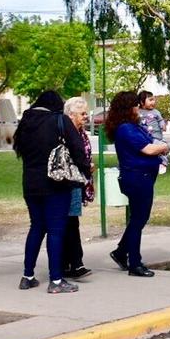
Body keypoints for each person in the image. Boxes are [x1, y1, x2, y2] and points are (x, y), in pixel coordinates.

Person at [14, 91, 90, 294]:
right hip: (56, 184)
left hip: (30, 184)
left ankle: (27, 276)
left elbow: (19, 149)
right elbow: (77, 148)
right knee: (56, 231)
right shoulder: (60, 120)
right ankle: (56, 280)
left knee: (37, 227)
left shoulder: (26, 122)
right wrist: (84, 170)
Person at [106, 91, 170, 278]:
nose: (138, 109)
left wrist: (159, 145)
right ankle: (135, 263)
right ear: (128, 108)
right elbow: (149, 148)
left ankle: (120, 252)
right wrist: (164, 147)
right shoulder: (125, 128)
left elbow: (151, 141)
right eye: (135, 106)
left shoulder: (134, 127)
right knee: (138, 219)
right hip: (136, 178)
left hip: (143, 176)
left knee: (139, 218)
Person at [61, 96, 95, 279]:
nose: (85, 117)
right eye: (82, 114)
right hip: (69, 181)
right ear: (71, 114)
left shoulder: (80, 132)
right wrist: (85, 166)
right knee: (70, 222)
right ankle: (74, 263)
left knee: (71, 222)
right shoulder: (67, 132)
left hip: (78, 180)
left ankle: (70, 263)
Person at [137, 91, 169, 174]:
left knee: (163, 147)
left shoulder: (156, 112)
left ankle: (163, 163)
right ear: (141, 102)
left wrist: (163, 125)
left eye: (153, 100)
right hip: (144, 137)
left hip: (156, 136)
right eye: (150, 100)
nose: (153, 102)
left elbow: (160, 120)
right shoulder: (138, 112)